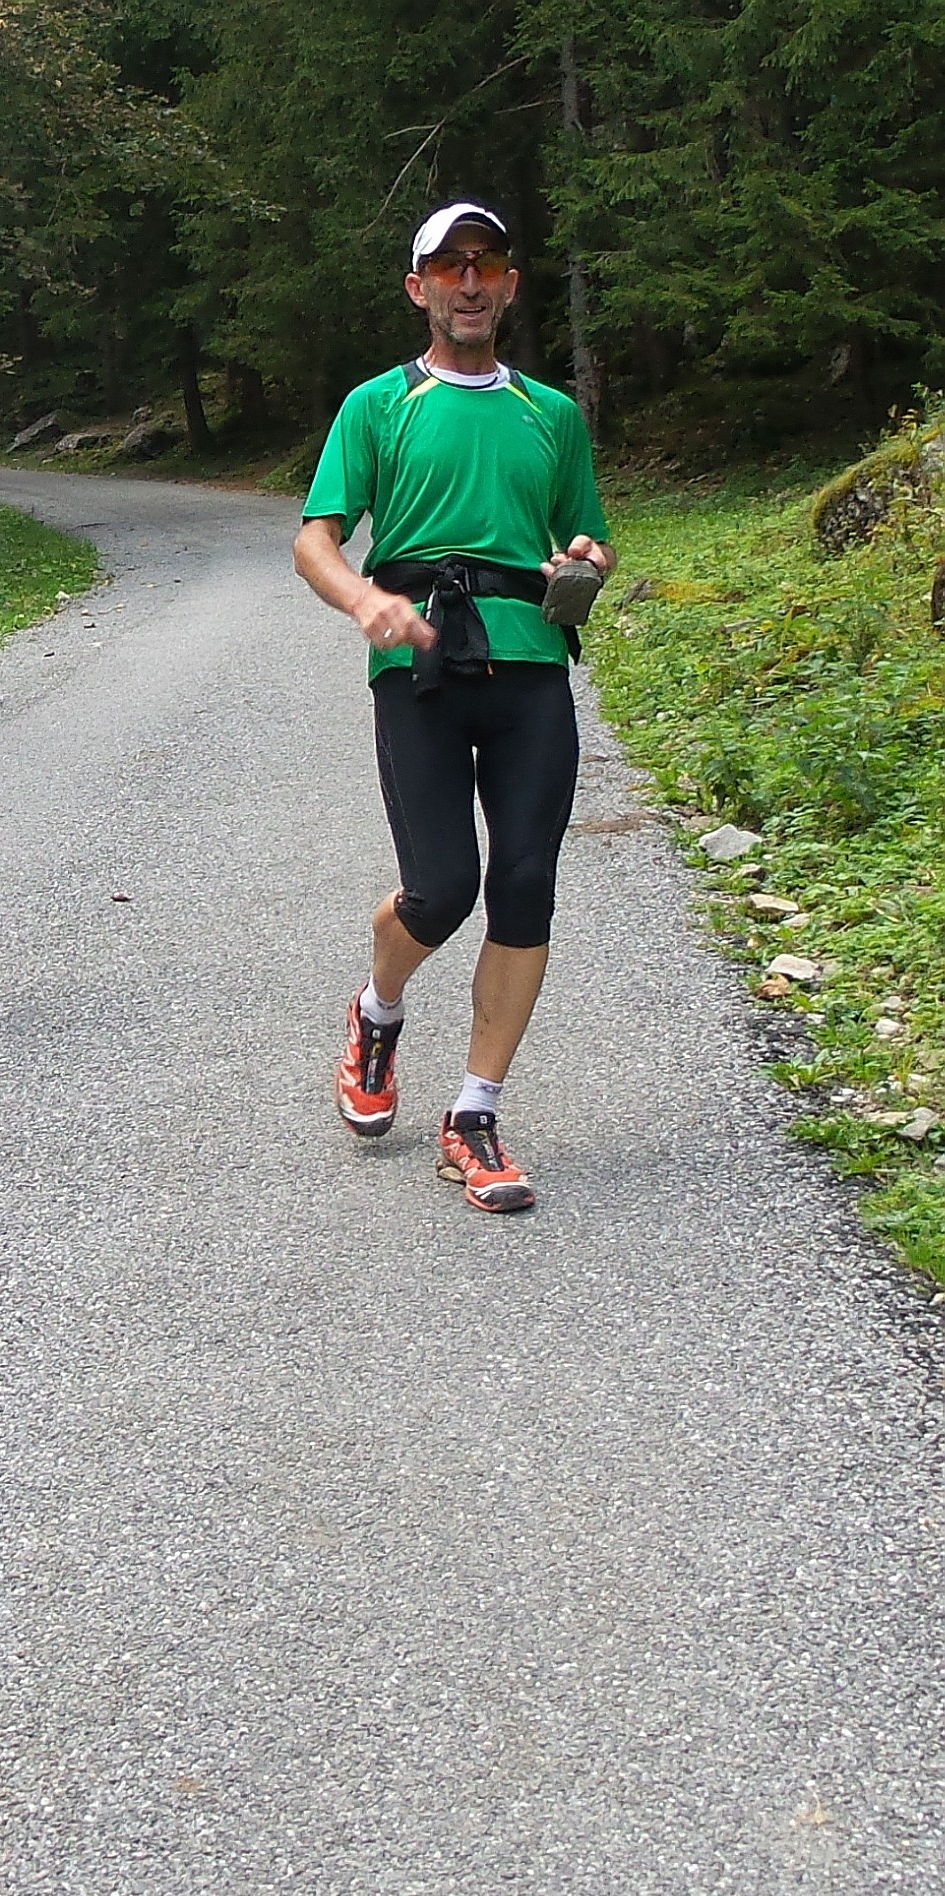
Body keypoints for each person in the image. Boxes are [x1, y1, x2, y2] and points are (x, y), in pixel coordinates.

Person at [292, 203, 614, 1213]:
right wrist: (365, 599)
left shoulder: (550, 414)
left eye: (487, 263)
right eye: (448, 266)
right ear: (418, 288)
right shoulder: (379, 405)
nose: (468, 282)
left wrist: (586, 559)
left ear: (510, 285)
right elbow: (314, 539)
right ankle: (377, 1010)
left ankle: (474, 1115)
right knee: (439, 890)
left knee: (524, 884)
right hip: (420, 664)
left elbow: (591, 534)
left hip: (531, 665)